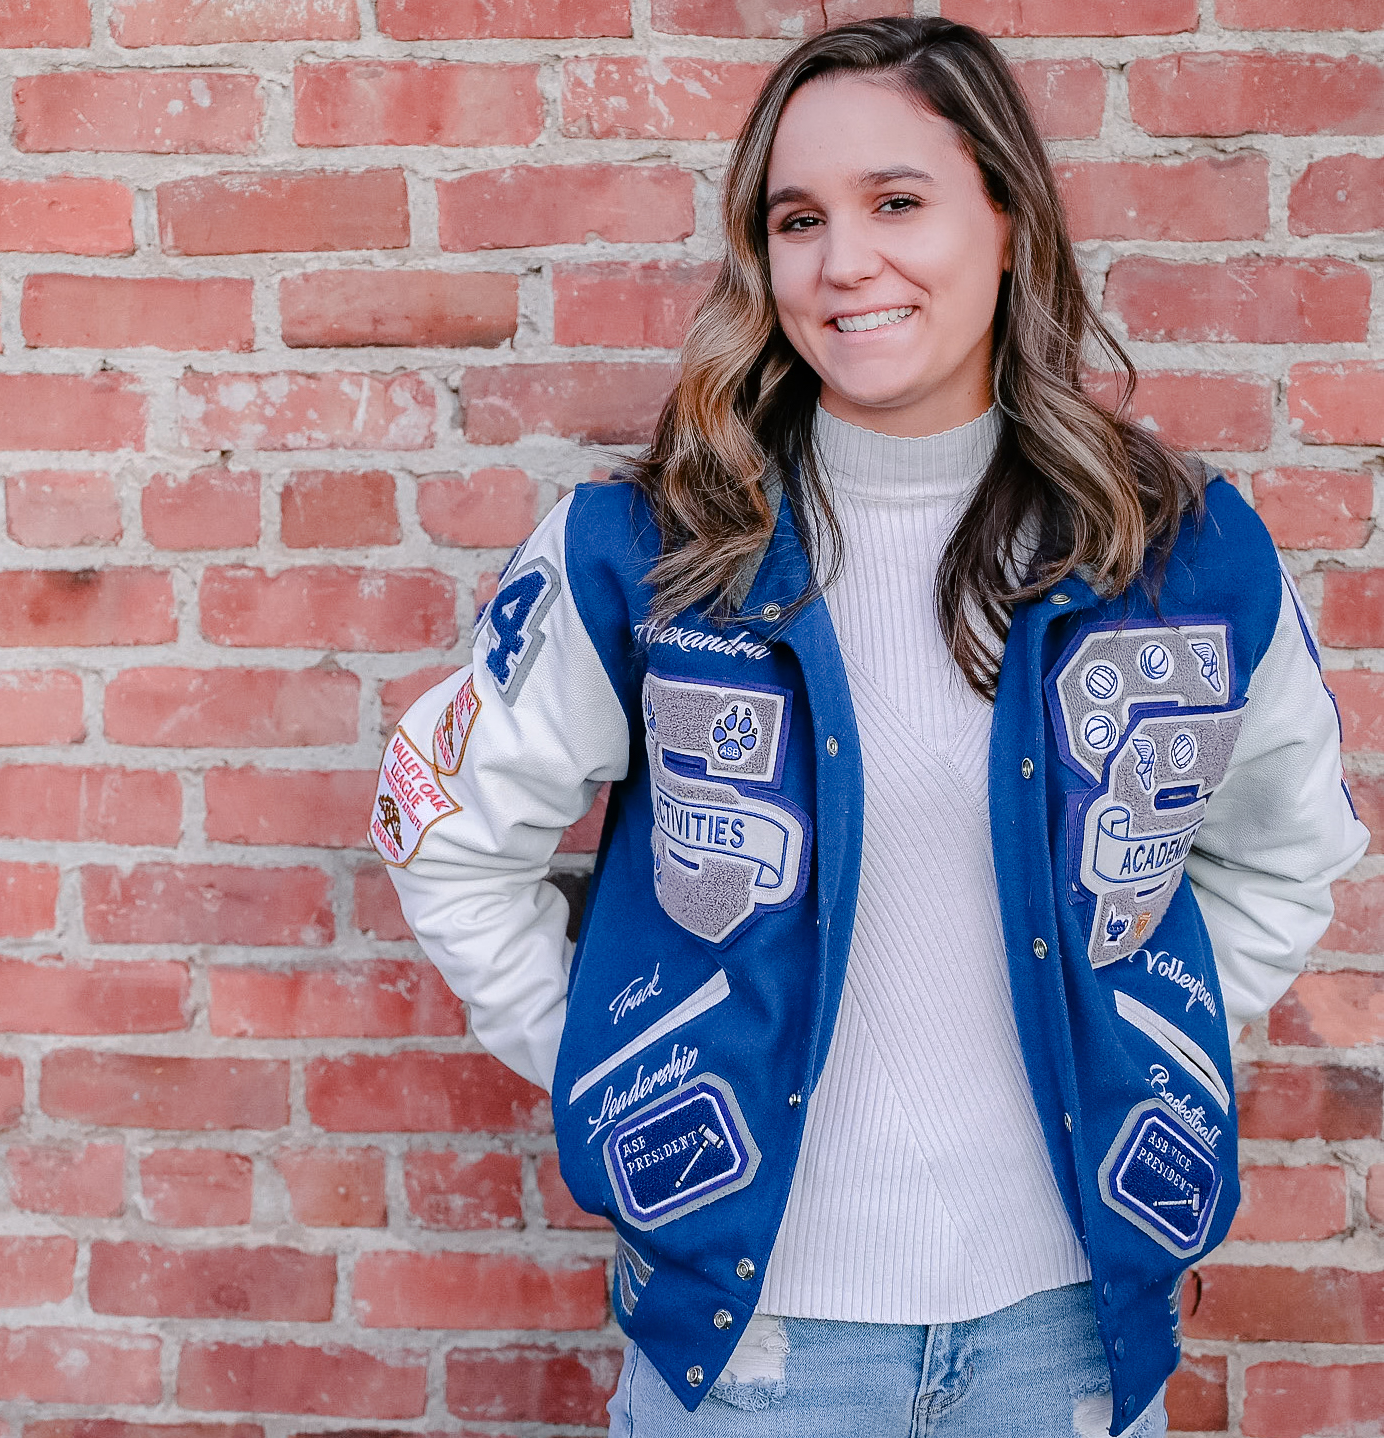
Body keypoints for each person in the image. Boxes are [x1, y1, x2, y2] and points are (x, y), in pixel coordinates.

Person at [370, 16, 1369, 1438]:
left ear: (1008, 221)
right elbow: (444, 830)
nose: (843, 263)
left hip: (1067, 1339)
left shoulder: (1179, 554)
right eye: (797, 219)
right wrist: (620, 1058)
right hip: (753, 1347)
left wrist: (1137, 1042)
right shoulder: (647, 550)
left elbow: (1285, 852)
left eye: (895, 202)